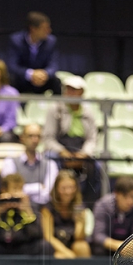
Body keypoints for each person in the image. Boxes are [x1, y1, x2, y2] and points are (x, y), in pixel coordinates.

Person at [42, 75, 102, 208]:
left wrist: (84, 153)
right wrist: (62, 152)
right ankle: (53, 201)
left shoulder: (88, 112)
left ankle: (91, 203)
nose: (70, 93)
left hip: (81, 150)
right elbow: (48, 138)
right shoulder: (55, 109)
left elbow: (92, 138)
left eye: (74, 90)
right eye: (68, 89)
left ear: (81, 93)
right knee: (49, 161)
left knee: (98, 166)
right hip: (60, 150)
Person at [0, 172, 53, 256]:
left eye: (20, 189)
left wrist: (28, 213)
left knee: (45, 246)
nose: (17, 193)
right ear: (4, 190)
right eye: (14, 189)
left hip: (23, 247)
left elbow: (38, 234)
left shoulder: (30, 206)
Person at [0, 123, 58, 208]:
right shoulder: (10, 162)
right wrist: (38, 186)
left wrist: (23, 190)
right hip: (16, 209)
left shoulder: (50, 164)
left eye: (38, 136)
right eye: (30, 136)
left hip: (43, 210)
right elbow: (10, 191)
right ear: (22, 138)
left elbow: (48, 194)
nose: (34, 140)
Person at [40, 169, 91, 259]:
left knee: (82, 247)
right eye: (63, 188)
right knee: (60, 256)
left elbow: (79, 237)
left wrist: (81, 221)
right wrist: (69, 254)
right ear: (57, 188)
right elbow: (49, 237)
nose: (68, 192)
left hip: (72, 244)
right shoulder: (48, 208)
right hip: (56, 247)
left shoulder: (79, 207)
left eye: (71, 187)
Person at [7, 11, 61, 96]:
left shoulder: (51, 41)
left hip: (43, 79)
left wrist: (45, 74)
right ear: (33, 29)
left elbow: (54, 65)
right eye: (45, 28)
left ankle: (58, 108)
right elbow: (13, 66)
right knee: (11, 80)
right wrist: (31, 74)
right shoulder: (16, 40)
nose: (49, 31)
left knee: (56, 82)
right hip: (23, 79)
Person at [91, 176, 133, 257]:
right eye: (125, 196)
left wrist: (130, 246)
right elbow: (98, 236)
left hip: (130, 249)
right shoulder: (102, 205)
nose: (129, 201)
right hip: (107, 248)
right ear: (116, 194)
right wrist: (119, 246)